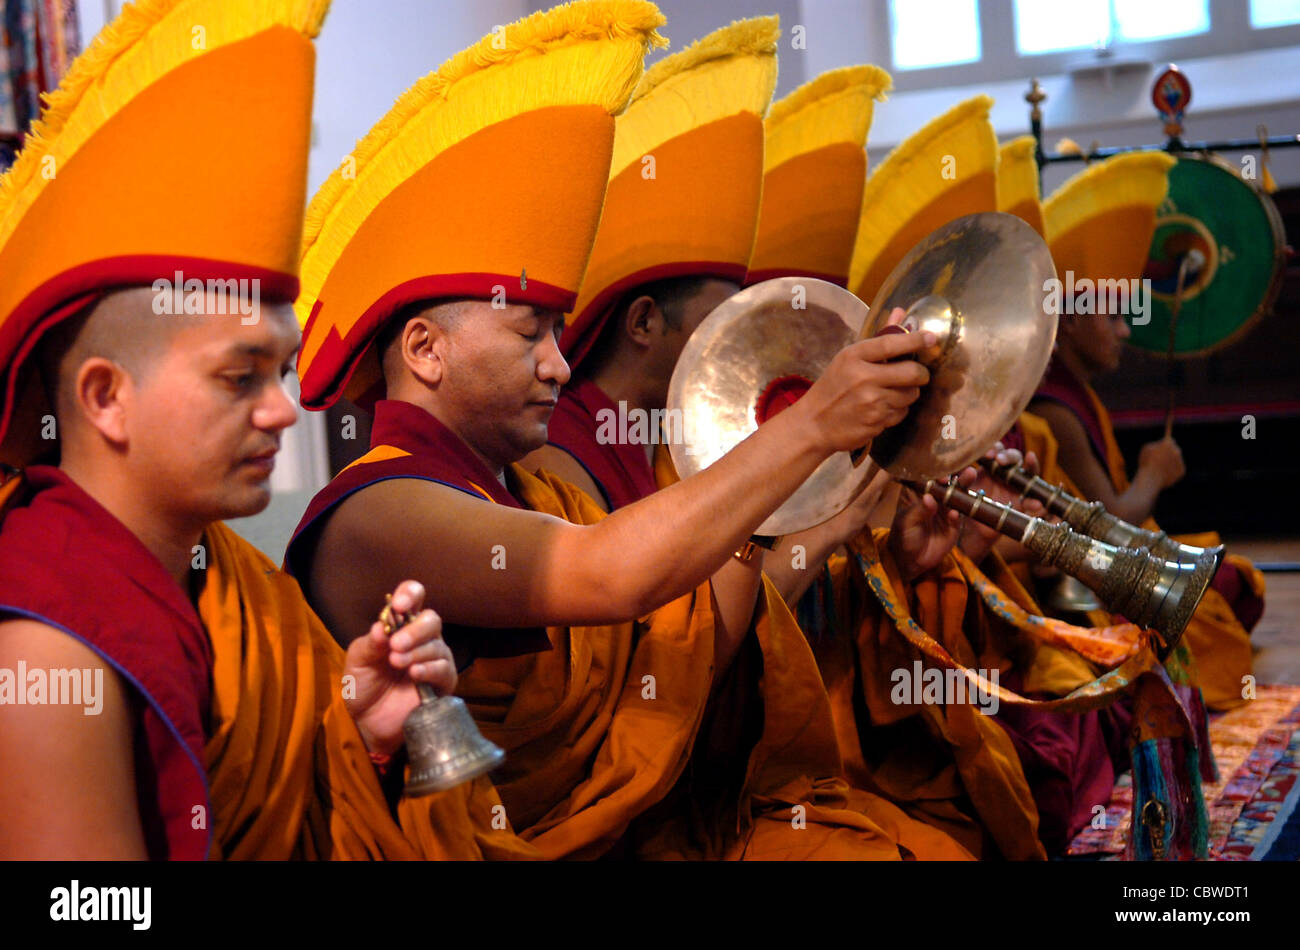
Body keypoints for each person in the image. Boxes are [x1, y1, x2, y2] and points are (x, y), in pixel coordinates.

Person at [287, 15, 969, 860]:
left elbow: (685, 650)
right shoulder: (381, 508)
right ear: (425, 349)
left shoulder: (529, 496)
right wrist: (813, 424)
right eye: (530, 333)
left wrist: (833, 507)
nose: (558, 365)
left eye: (558, 334)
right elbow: (609, 574)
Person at [0, 0, 534, 860]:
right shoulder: (45, 646)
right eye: (237, 376)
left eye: (281, 372)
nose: (285, 408)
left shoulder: (236, 592)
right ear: (105, 398)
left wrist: (355, 728)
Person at [1023, 150, 1265, 712]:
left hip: (1129, 556)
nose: (1125, 331)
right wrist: (1152, 475)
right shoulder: (1054, 406)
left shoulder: (1075, 388)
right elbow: (1108, 522)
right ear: (1074, 318)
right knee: (1222, 597)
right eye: (1111, 316)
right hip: (1096, 583)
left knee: (1238, 579)